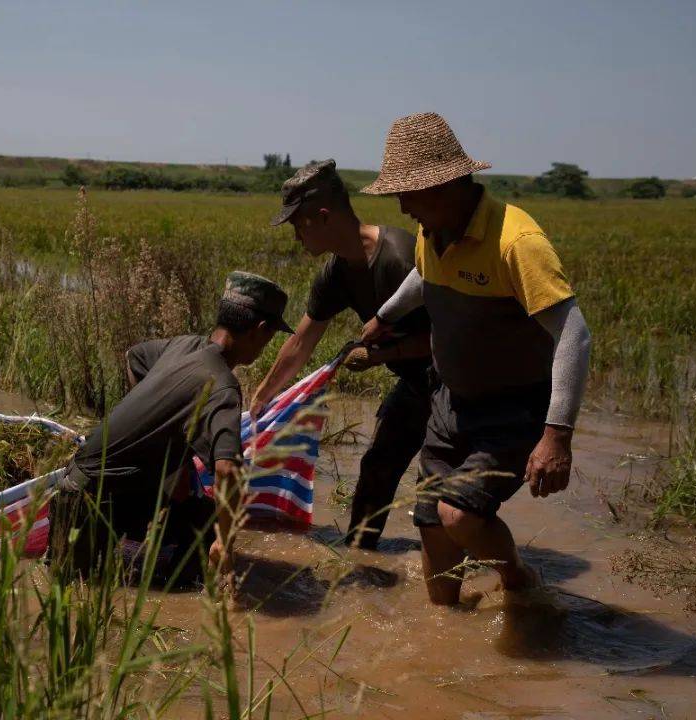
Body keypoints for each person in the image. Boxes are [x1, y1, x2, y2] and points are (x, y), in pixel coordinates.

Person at [361, 112, 592, 605]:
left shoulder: (516, 243)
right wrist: (385, 315)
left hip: (513, 409)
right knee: (430, 523)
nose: (401, 206)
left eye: (407, 193)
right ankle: (445, 633)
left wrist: (557, 435)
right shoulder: (434, 227)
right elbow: (426, 275)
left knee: (460, 515)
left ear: (445, 185)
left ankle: (519, 583)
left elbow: (574, 333)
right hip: (450, 402)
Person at [49, 271, 294, 586]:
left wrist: (168, 450)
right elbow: (227, 471)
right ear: (260, 331)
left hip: (75, 489)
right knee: (72, 600)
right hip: (89, 509)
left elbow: (134, 357)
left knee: (200, 518)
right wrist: (225, 544)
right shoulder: (222, 387)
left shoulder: (184, 345)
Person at [250, 159, 432, 550]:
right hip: (416, 383)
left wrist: (383, 355)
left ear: (322, 216)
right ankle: (361, 558)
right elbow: (301, 342)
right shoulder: (336, 273)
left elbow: (451, 340)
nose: (297, 237)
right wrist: (263, 397)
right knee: (377, 467)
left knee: (435, 490)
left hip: (454, 384)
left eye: (298, 225)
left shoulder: (400, 258)